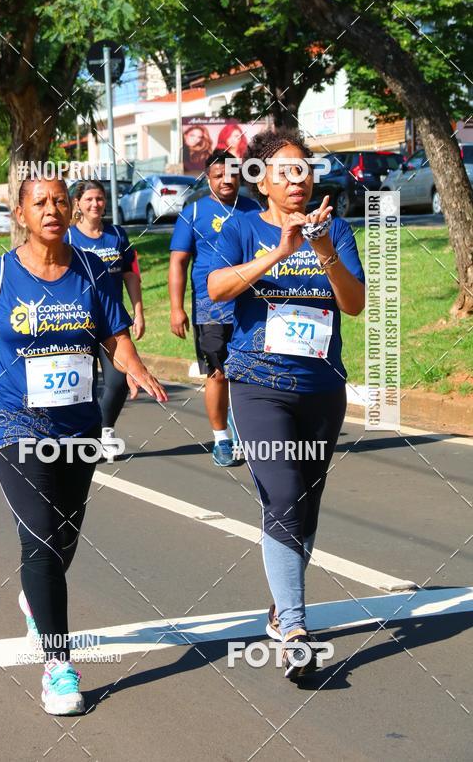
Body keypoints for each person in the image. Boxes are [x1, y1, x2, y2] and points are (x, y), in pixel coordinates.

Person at [0, 176, 167, 715]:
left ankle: (35, 599)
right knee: (38, 541)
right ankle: (58, 665)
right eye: (41, 203)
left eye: (61, 201)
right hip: (16, 422)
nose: (54, 209)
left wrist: (137, 370)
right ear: (21, 215)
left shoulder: (92, 272)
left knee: (64, 536)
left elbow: (114, 336)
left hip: (78, 425)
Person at [207, 127, 365, 680]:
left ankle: (280, 609)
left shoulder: (336, 230)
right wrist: (278, 253)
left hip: (321, 387)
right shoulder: (243, 228)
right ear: (262, 180)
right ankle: (294, 628)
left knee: (306, 505)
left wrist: (322, 250)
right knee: (283, 493)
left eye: (305, 170)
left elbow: (354, 304)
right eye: (285, 172)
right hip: (257, 384)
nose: (298, 181)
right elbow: (218, 290)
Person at [169, 150, 261, 467]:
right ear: (208, 177)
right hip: (211, 309)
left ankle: (247, 430)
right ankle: (222, 439)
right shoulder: (193, 213)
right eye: (219, 174)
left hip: (251, 304)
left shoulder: (254, 209)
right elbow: (178, 262)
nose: (226, 179)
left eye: (232, 173)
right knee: (218, 374)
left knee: (251, 373)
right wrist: (176, 308)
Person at [67, 180, 144, 459]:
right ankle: (81, 436)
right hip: (78, 324)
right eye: (88, 199)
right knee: (82, 384)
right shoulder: (69, 238)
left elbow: (131, 275)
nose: (95, 204)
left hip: (113, 323)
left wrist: (138, 312)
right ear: (78, 203)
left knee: (118, 379)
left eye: (99, 198)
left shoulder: (117, 235)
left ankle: (106, 431)